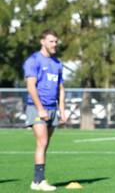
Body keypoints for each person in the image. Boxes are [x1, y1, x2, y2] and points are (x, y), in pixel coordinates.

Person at [23, 29, 67, 191]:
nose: (54, 44)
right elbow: (31, 86)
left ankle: (36, 181)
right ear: (43, 42)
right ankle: (39, 181)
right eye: (51, 41)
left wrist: (62, 110)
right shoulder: (33, 60)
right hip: (36, 108)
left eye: (56, 41)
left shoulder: (57, 63)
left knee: (45, 144)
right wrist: (40, 109)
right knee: (42, 141)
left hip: (52, 108)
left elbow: (61, 89)